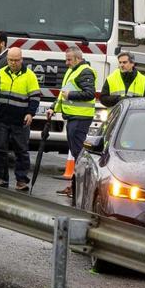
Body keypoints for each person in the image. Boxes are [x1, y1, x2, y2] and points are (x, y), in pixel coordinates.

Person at [0, 47, 40, 191]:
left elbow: (35, 97)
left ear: (21, 59)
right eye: (10, 60)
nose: (13, 63)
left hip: (20, 120)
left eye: (16, 60)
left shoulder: (29, 76)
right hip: (2, 118)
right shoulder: (0, 73)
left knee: (21, 151)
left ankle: (21, 180)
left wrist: (30, 113)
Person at [52, 46, 97, 196]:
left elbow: (89, 94)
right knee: (77, 153)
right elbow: (62, 94)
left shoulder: (84, 71)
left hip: (80, 117)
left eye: (69, 59)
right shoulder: (73, 71)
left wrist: (70, 95)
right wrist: (53, 108)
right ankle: (74, 186)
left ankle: (79, 188)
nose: (66, 62)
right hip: (73, 117)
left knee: (79, 155)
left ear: (78, 59)